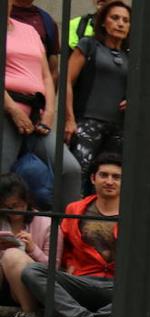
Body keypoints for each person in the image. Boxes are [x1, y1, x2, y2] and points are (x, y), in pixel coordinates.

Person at [20, 154, 121, 317]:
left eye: (116, 177)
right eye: (104, 175)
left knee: (140, 296)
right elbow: (63, 246)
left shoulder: (136, 214)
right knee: (32, 271)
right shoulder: (75, 209)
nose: (109, 181)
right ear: (93, 178)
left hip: (117, 287)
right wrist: (68, 266)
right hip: (81, 282)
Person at [3, 7, 82, 201]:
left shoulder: (29, 30)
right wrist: (12, 109)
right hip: (6, 112)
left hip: (35, 117)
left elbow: (47, 74)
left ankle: (64, 228)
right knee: (3, 176)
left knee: (69, 169)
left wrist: (49, 112)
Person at [63, 1, 129, 194]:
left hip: (118, 127)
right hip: (87, 122)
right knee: (80, 173)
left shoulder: (131, 55)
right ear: (103, 22)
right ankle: (72, 218)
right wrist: (69, 119)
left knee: (111, 178)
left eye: (126, 20)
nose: (120, 24)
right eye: (115, 18)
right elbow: (66, 80)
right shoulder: (88, 44)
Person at [0, 173, 51, 317]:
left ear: (27, 201)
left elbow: (54, 268)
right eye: (7, 207)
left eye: (17, 205)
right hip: (4, 285)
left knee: (12, 255)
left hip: (32, 286)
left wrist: (33, 249)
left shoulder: (46, 223)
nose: (13, 211)